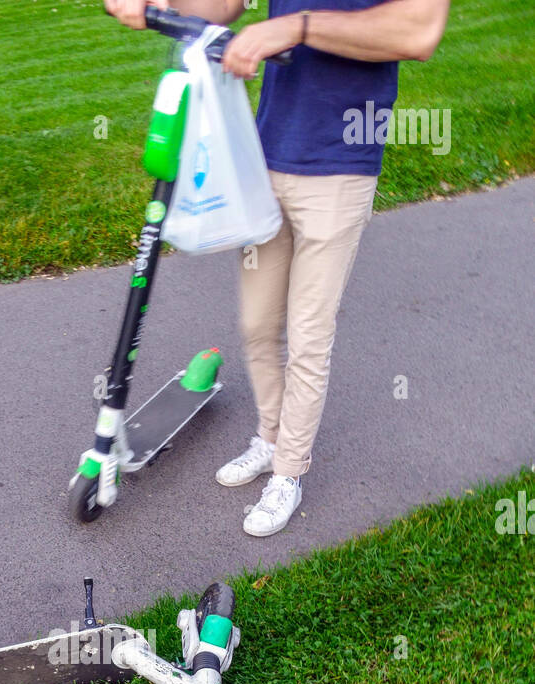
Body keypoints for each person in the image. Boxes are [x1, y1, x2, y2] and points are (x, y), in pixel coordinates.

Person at [105, 0, 450, 536]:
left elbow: (418, 31)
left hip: (340, 162)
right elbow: (223, 6)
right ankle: (268, 439)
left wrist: (295, 26)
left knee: (309, 333)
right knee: (258, 325)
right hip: (266, 155)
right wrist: (161, 4)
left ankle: (289, 472)